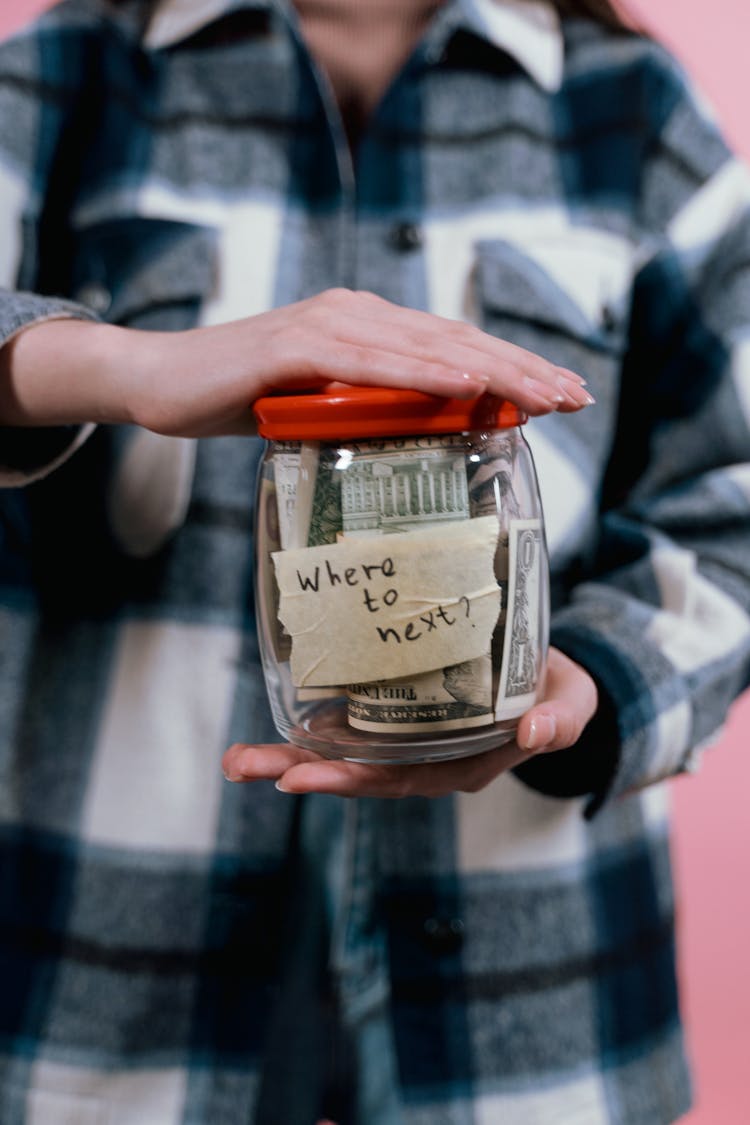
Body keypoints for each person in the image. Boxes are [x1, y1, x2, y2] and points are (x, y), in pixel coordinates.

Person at [0, 0, 748, 1122]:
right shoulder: (65, 75)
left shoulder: (633, 113)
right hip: (97, 982)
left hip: (537, 1016)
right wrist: (120, 365)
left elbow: (732, 497)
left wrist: (593, 680)